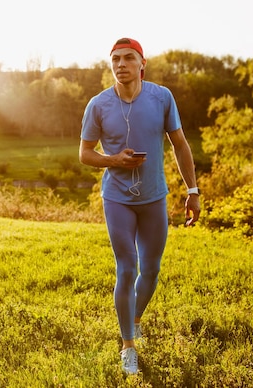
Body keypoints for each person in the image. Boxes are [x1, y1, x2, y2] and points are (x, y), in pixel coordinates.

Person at [78, 37, 200, 375]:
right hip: (117, 198)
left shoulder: (161, 98)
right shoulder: (98, 105)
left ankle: (134, 317)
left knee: (152, 269)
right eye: (115, 59)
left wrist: (193, 190)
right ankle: (128, 345)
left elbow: (179, 144)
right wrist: (112, 159)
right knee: (127, 267)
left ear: (142, 63)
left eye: (128, 58)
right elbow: (85, 154)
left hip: (154, 198)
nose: (121, 64)